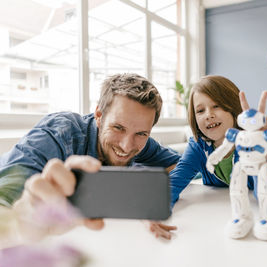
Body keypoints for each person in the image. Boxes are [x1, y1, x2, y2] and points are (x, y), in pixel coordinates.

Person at [0, 73, 179, 241]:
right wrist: (24, 214)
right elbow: (6, 200)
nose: (127, 146)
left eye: (141, 133)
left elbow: (180, 165)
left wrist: (140, 195)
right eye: (118, 128)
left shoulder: (142, 142)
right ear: (99, 116)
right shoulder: (60, 133)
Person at [169, 75, 267, 207]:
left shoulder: (249, 145)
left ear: (233, 107)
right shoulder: (197, 146)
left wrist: (266, 154)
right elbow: (172, 186)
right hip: (215, 216)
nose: (209, 115)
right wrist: (154, 211)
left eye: (216, 106)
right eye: (200, 110)